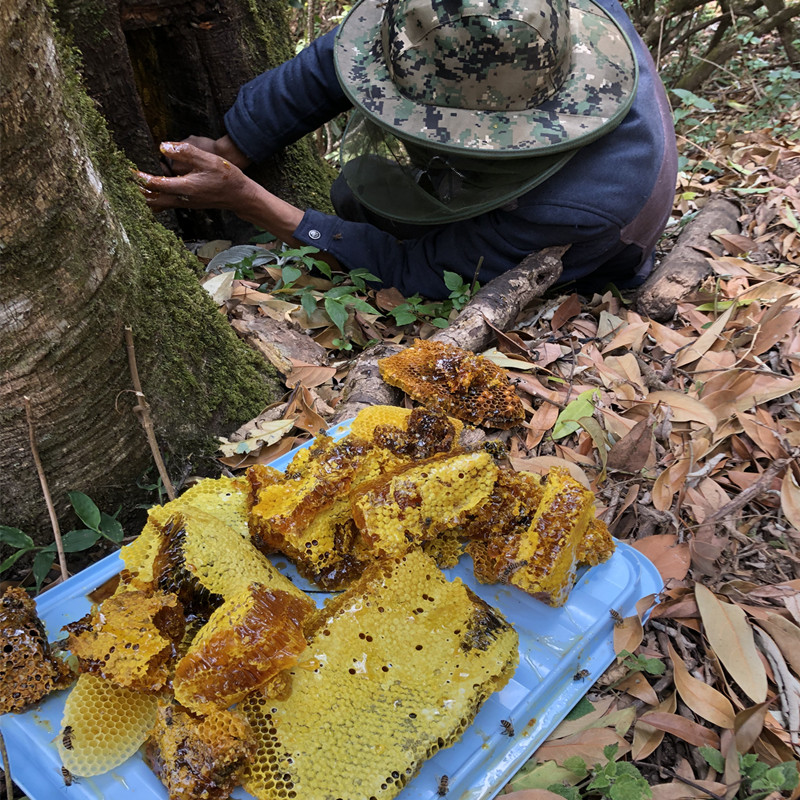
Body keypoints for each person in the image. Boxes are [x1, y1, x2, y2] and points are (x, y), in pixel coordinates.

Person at [134, 0, 677, 300]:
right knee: (361, 193)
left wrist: (246, 198)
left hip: (591, 254)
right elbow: (341, 56)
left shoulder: (580, 206)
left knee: (357, 200)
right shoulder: (540, 13)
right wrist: (238, 143)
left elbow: (415, 268)